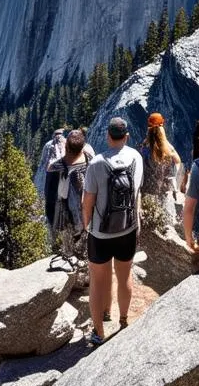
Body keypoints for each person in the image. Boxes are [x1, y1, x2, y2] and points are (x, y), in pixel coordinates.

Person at [82, 117, 144, 347]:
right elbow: (136, 191)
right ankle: (124, 320)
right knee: (125, 275)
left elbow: (87, 201)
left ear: (108, 136)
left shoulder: (97, 163)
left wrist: (86, 225)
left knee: (98, 281)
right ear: (126, 136)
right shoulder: (136, 157)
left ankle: (99, 331)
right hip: (128, 228)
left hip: (100, 233)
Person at [48, 129, 94, 262]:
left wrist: (61, 150)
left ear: (67, 146)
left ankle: (71, 260)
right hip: (88, 207)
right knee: (86, 245)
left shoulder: (61, 164)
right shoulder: (89, 158)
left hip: (69, 211)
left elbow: (49, 167)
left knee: (70, 244)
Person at [140, 113, 181, 229]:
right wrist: (174, 181)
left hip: (147, 190)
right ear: (162, 126)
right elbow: (178, 162)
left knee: (150, 220)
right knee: (166, 222)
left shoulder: (144, 146)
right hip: (164, 189)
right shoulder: (168, 148)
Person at [36, 127, 68, 226]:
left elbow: (43, 162)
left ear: (53, 135)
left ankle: (51, 220)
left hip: (51, 173)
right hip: (64, 172)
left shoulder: (48, 145)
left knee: (50, 198)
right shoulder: (67, 142)